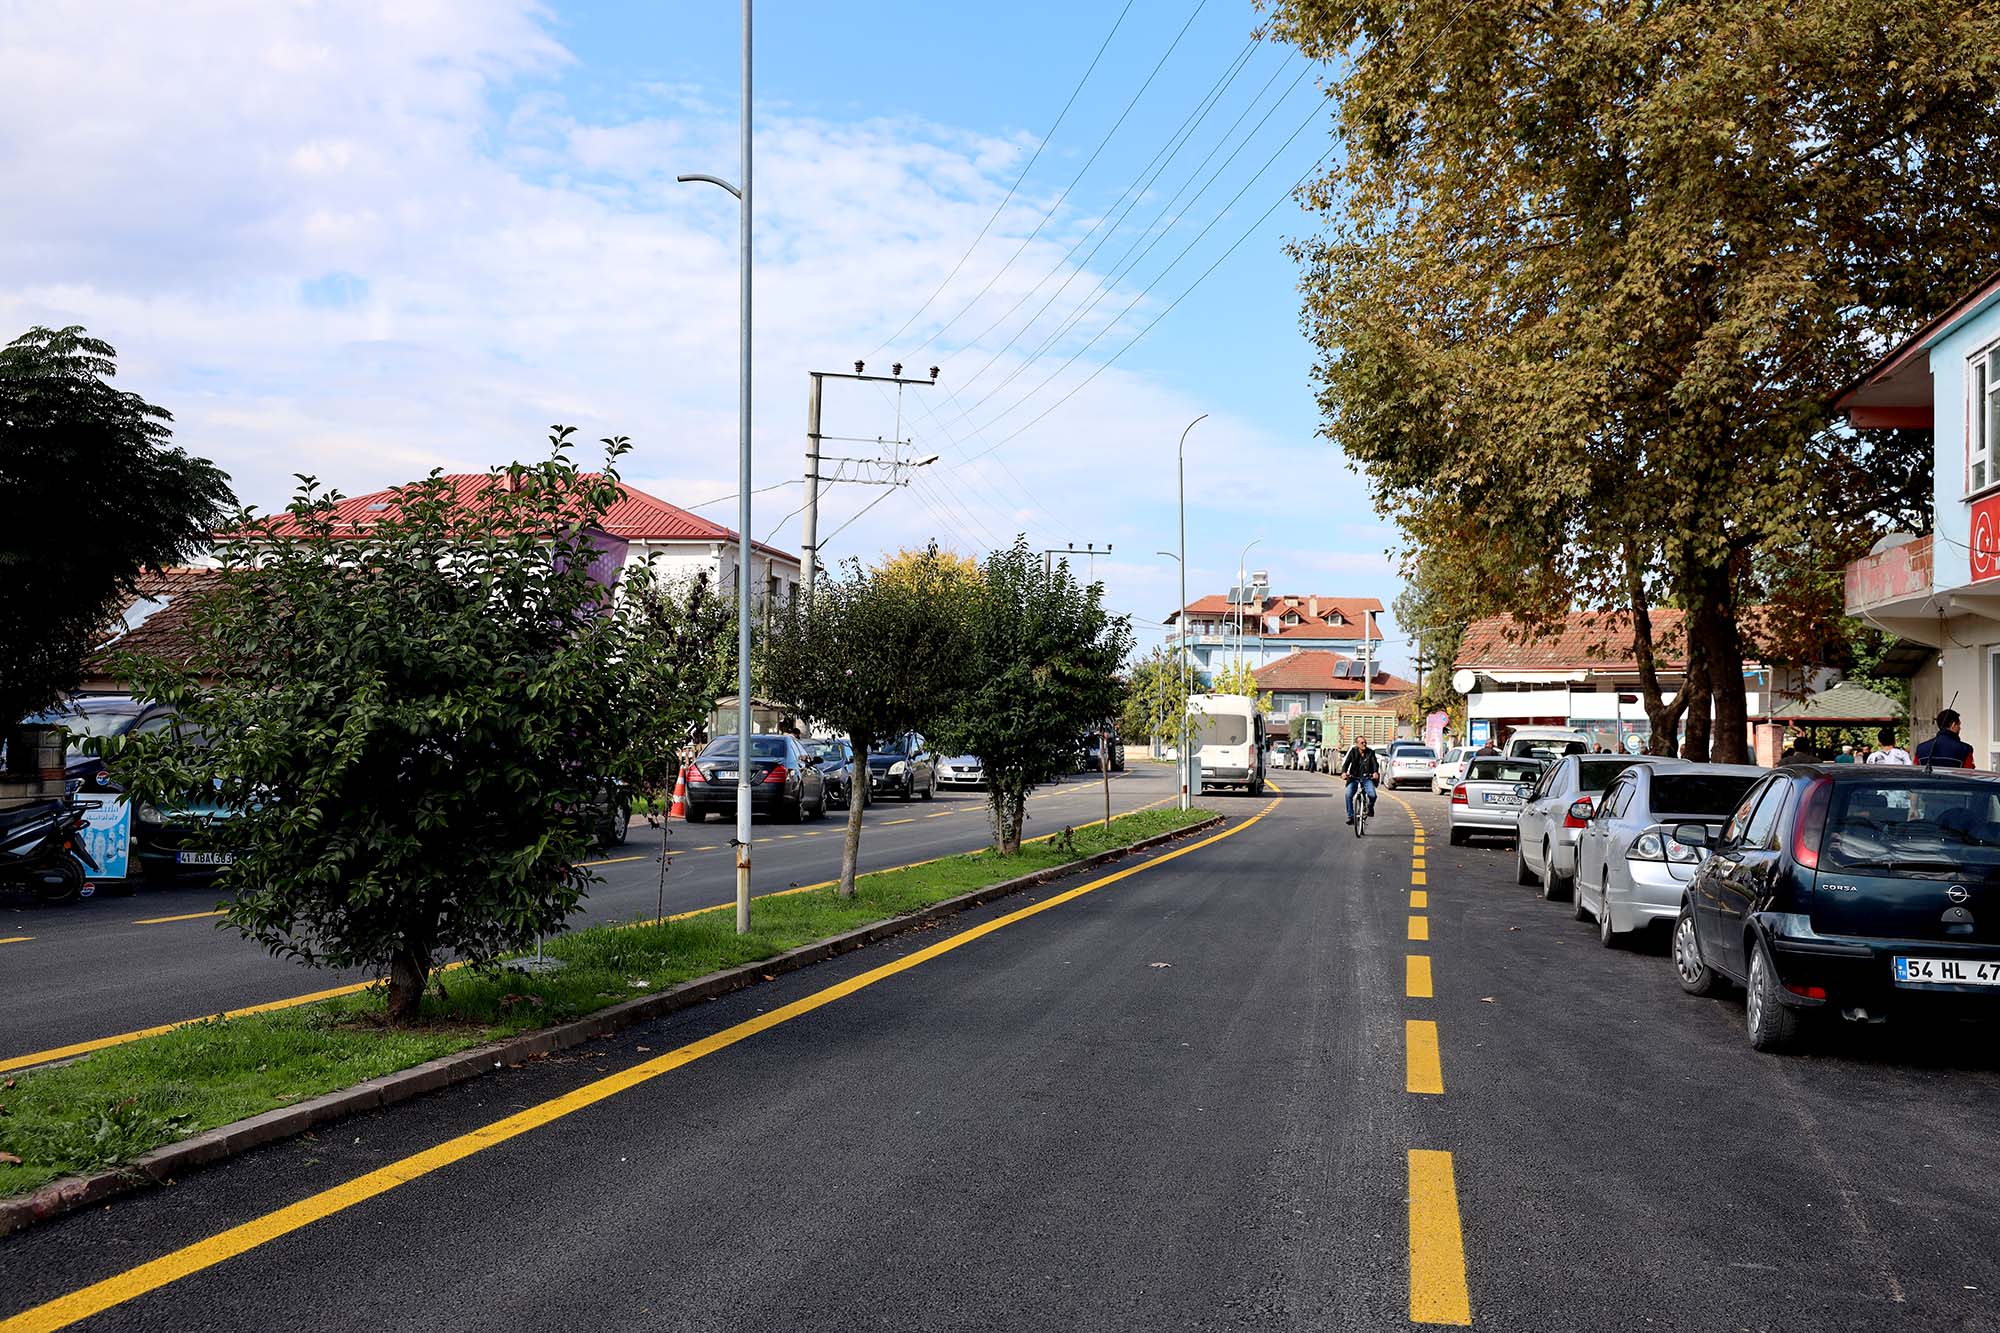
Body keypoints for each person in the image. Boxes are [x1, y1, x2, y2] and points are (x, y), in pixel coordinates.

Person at [1338, 735, 1381, 825]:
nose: (1364, 744)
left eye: (1365, 742)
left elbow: (1375, 764)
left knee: (1372, 795)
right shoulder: (1353, 752)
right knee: (1348, 795)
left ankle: (1370, 807)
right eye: (1362, 743)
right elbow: (1346, 763)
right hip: (1354, 777)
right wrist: (1344, 772)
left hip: (1367, 777)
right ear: (1357, 744)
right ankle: (1351, 816)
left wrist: (1375, 772)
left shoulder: (1370, 752)